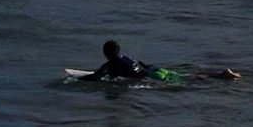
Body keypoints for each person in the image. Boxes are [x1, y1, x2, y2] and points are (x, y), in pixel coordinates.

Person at [78, 39, 239, 81]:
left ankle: (222, 75)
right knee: (190, 77)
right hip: (156, 70)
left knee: (192, 80)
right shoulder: (126, 58)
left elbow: (96, 77)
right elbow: (141, 64)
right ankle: (221, 74)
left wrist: (77, 79)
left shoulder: (110, 63)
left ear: (106, 53)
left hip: (152, 77)